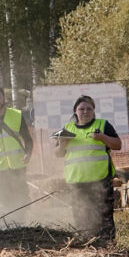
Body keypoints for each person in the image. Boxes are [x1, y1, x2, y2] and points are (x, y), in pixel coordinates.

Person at [52, 95, 121, 245]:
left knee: (104, 218)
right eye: (81, 109)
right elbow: (58, 154)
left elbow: (118, 145)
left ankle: (108, 247)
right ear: (75, 111)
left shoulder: (103, 125)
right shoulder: (67, 129)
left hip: (101, 181)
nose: (85, 112)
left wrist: (102, 137)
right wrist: (63, 144)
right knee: (82, 217)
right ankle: (87, 246)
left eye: (89, 109)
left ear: (94, 111)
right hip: (77, 183)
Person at [0, 98, 34, 198]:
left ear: (4, 98)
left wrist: (28, 153)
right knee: (3, 201)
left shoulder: (16, 115)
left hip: (18, 167)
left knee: (22, 198)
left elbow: (28, 139)